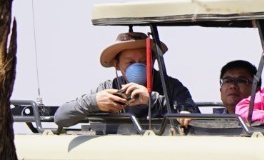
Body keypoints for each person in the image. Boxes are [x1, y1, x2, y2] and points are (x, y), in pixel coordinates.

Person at [52, 31, 198, 129]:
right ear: (117, 65)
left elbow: (196, 119)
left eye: (143, 61)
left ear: (153, 61)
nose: (138, 66)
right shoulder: (108, 88)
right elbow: (61, 117)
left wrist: (151, 100)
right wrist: (94, 102)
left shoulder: (171, 87)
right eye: (130, 62)